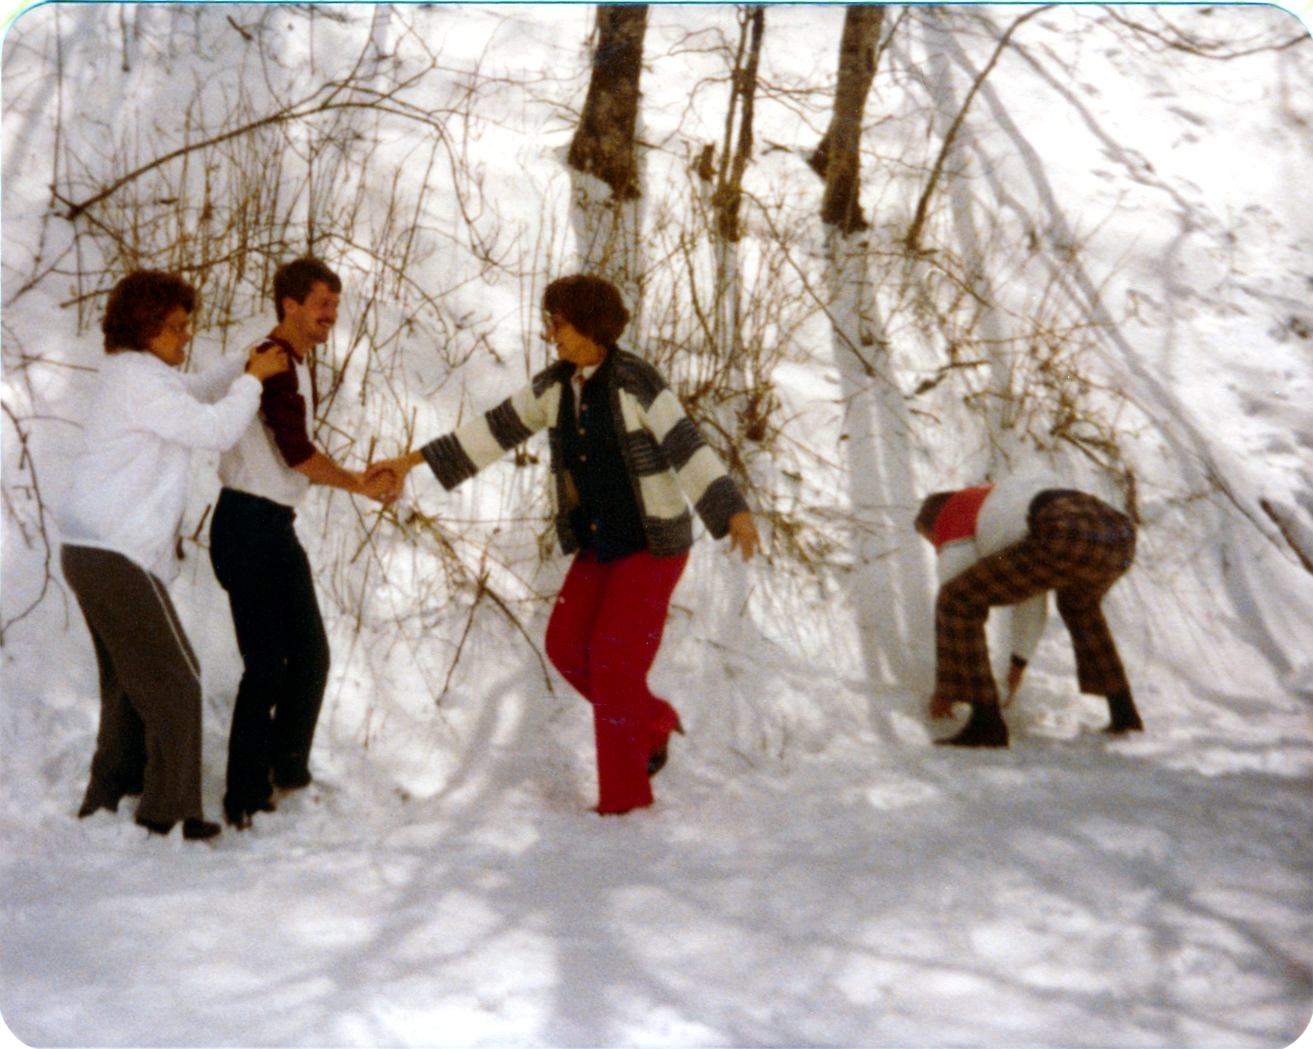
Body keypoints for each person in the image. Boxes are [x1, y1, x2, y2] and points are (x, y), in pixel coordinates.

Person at [372, 274, 760, 814]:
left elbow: (684, 443)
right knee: (564, 645)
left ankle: (625, 802)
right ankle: (650, 722)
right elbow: (493, 430)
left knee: (614, 662)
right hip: (600, 543)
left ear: (589, 323)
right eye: (548, 321)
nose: (549, 332)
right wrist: (408, 462)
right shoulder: (554, 386)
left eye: (557, 322)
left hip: (652, 545)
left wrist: (731, 508)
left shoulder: (635, 382)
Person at [58, 270, 290, 841]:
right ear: (145, 328)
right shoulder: (140, 383)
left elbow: (197, 392)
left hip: (94, 548)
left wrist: (243, 364)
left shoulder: (136, 375)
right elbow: (211, 429)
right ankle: (166, 812)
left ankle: (109, 792)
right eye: (176, 329)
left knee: (129, 682)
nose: (185, 339)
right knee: (177, 681)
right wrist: (254, 382)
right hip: (114, 553)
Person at [210, 257, 395, 829]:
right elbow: (295, 452)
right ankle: (243, 796)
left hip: (273, 527)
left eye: (336, 304)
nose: (331, 315)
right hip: (246, 525)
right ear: (289, 304)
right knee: (266, 663)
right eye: (321, 303)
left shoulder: (289, 360)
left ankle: (287, 771)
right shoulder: (272, 362)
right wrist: (359, 483)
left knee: (310, 653)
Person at [914, 474, 1142, 747]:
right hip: (1118, 532)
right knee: (1079, 607)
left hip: (1062, 530)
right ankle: (1124, 711)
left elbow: (954, 592)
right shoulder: (997, 502)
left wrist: (947, 688)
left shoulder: (951, 514)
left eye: (931, 540)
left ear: (934, 524)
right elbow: (1027, 592)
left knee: (956, 599)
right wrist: (1017, 664)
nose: (937, 547)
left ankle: (986, 723)